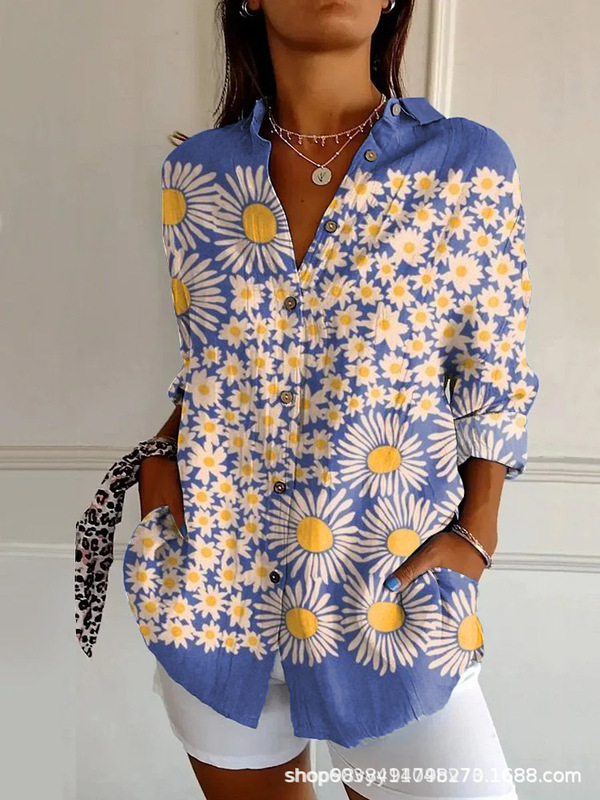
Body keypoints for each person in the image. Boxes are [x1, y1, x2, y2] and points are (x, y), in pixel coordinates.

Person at [130, 1, 540, 798]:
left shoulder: (465, 164)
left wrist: (479, 530)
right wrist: (160, 471)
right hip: (216, 590)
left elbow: (491, 368)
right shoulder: (196, 176)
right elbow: (212, 365)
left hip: (390, 593)